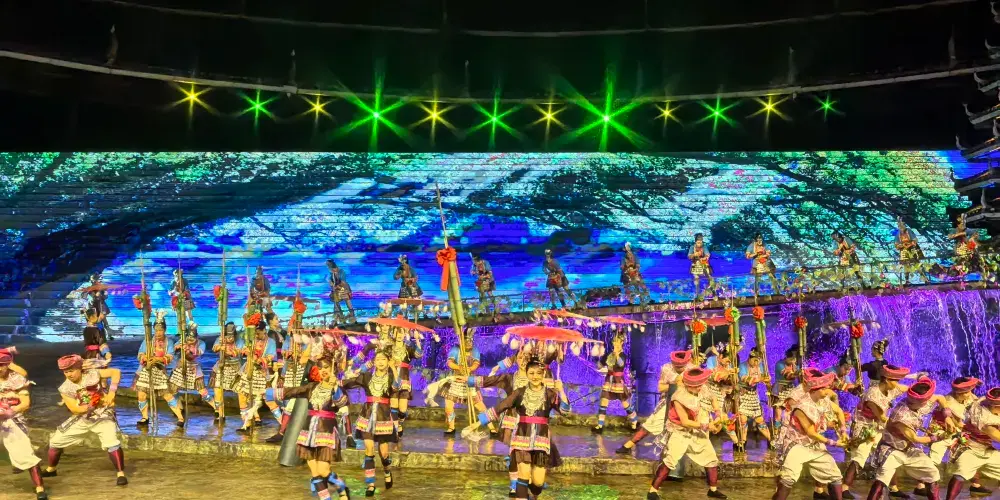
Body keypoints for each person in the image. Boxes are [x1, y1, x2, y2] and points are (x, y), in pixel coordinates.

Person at [477, 356, 571, 500]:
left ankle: (533, 491)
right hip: (521, 438)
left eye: (538, 373)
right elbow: (501, 406)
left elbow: (565, 411)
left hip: (541, 441)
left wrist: (562, 391)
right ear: (527, 374)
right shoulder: (519, 392)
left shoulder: (550, 394)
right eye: (531, 373)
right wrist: (479, 422)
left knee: (538, 483)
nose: (535, 376)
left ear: (543, 374)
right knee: (523, 475)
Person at [272, 357, 351, 500]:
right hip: (308, 434)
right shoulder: (312, 387)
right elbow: (293, 391)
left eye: (326, 367)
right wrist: (269, 390)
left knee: (323, 470)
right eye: (320, 368)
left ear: (333, 368)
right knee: (315, 473)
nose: (323, 370)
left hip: (326, 433)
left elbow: (342, 403)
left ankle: (341, 487)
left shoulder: (338, 389)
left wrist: (334, 386)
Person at [42, 354, 127, 486]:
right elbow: (75, 409)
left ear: (79, 369)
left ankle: (120, 473)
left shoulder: (92, 374)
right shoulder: (65, 388)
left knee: (111, 442)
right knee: (55, 441)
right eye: (66, 372)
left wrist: (111, 392)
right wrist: (93, 404)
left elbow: (115, 372)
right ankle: (51, 469)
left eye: (71, 371)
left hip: (102, 415)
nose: (69, 374)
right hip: (82, 417)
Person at [647, 367, 728, 499]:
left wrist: (718, 414)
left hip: (696, 430)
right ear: (689, 385)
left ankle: (712, 490)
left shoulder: (701, 388)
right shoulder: (679, 397)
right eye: (697, 386)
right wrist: (707, 426)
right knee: (670, 461)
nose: (700, 388)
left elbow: (713, 398)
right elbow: (685, 422)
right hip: (680, 431)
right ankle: (652, 491)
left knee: (711, 459)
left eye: (700, 385)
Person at [771, 368, 847, 500]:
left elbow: (838, 411)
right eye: (823, 389)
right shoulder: (802, 405)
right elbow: (810, 432)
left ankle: (820, 491)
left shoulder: (823, 400)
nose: (827, 391)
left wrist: (843, 431)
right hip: (797, 445)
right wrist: (834, 443)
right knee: (788, 479)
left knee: (835, 476)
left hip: (814, 444)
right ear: (815, 389)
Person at [866, 377, 948, 500]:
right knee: (882, 478)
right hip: (891, 450)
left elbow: (940, 398)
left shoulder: (921, 403)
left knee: (932, 473)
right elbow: (915, 438)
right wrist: (937, 437)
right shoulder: (902, 415)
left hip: (908, 449)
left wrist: (948, 417)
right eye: (909, 400)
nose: (909, 402)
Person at [842, 364, 914, 499]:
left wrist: (918, 387)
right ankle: (844, 488)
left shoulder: (891, 389)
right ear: (886, 379)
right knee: (860, 457)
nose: (897, 384)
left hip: (878, 427)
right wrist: (902, 425)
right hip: (864, 428)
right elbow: (882, 417)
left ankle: (893, 488)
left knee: (889, 455)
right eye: (895, 381)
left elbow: (907, 389)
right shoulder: (872, 394)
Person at [342, 348, 399, 497]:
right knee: (369, 449)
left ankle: (387, 471)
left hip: (382, 417)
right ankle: (370, 484)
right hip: (367, 416)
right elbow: (351, 382)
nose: (380, 362)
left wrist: (393, 368)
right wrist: (336, 383)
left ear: (388, 362)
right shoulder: (367, 376)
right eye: (378, 359)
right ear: (374, 362)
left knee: (384, 453)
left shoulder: (391, 377)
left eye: (383, 359)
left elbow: (396, 387)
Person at [922, 377, 991, 497]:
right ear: (959, 393)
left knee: (969, 455)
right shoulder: (949, 402)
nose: (970, 394)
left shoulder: (968, 397)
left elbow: (976, 406)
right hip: (941, 434)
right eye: (967, 391)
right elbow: (959, 423)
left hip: (957, 432)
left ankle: (975, 484)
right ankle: (921, 485)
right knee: (932, 463)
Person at [616, 350, 694, 455]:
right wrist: (675, 385)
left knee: (688, 428)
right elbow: (660, 388)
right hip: (668, 402)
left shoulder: (692, 369)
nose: (679, 368)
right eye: (677, 366)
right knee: (651, 423)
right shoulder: (666, 368)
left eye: (682, 366)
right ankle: (628, 445)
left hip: (687, 403)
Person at [0, 350, 48, 500]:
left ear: (7, 365)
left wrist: (9, 412)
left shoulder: (17, 379)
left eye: (1, 365)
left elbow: (25, 403)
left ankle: (39, 488)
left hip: (11, 419)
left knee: (25, 453)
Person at [944, 387, 1000, 500]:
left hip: (988, 450)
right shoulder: (985, 420)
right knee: (961, 474)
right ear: (995, 406)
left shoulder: (984, 401)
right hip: (971, 448)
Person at [135, 311, 185, 426]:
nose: (158, 333)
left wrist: (157, 359)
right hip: (146, 370)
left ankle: (180, 418)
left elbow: (170, 357)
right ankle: (145, 417)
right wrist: (144, 357)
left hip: (159, 371)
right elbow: (140, 354)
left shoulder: (169, 342)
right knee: (141, 394)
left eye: (160, 330)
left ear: (165, 330)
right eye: (156, 330)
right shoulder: (148, 341)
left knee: (167, 395)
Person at [236, 320, 283, 433]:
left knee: (268, 399)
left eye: (258, 333)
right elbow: (242, 350)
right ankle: (246, 423)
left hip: (262, 373)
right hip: (248, 371)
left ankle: (283, 424)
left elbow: (270, 357)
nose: (257, 335)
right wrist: (246, 351)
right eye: (255, 333)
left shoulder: (270, 342)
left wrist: (258, 359)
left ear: (264, 330)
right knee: (242, 395)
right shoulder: (250, 340)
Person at [269, 325, 311, 444]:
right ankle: (283, 431)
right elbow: (284, 355)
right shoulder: (289, 340)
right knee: (288, 404)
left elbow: (305, 360)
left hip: (304, 377)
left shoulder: (308, 343)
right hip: (291, 373)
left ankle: (286, 432)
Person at [593, 332, 638, 434]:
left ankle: (634, 421)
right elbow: (600, 365)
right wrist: (598, 358)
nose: (615, 344)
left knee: (625, 403)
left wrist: (617, 354)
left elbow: (621, 364)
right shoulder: (609, 354)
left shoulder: (623, 355)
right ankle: (600, 425)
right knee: (604, 401)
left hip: (618, 381)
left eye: (617, 342)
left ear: (621, 343)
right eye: (614, 342)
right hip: (608, 380)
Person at [168, 322, 216, 416]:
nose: (191, 340)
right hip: (180, 366)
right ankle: (180, 408)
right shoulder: (182, 340)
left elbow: (197, 353)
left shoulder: (201, 343)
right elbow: (173, 349)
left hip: (194, 368)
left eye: (193, 338)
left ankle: (216, 408)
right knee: (173, 389)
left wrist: (188, 350)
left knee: (203, 391)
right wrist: (179, 347)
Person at [443, 330, 481, 435]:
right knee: (448, 406)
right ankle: (451, 427)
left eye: (470, 340)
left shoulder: (475, 350)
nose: (469, 342)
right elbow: (450, 362)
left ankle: (491, 427)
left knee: (480, 406)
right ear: (462, 340)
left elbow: (476, 363)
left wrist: (469, 369)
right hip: (456, 380)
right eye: (467, 340)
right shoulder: (456, 349)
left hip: (469, 380)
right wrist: (459, 367)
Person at [737, 347, 772, 448]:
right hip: (743, 394)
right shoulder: (743, 366)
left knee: (759, 419)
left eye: (758, 360)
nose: (757, 363)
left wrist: (768, 383)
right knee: (743, 419)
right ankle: (742, 442)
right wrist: (762, 379)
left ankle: (771, 440)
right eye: (755, 360)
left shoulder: (760, 366)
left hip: (753, 395)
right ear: (750, 358)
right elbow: (748, 380)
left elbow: (766, 379)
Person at [209, 321, 243, 422]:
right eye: (228, 335)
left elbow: (237, 352)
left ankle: (246, 417)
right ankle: (220, 413)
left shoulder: (240, 340)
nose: (230, 338)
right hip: (221, 366)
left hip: (235, 367)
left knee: (241, 392)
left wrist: (226, 351)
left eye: (231, 336)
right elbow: (214, 348)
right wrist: (220, 347)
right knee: (217, 390)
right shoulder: (220, 339)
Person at [772, 346, 800, 425]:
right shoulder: (779, 364)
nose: (793, 361)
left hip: (791, 388)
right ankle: (777, 428)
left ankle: (788, 426)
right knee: (778, 411)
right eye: (791, 359)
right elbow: (788, 376)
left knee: (790, 410)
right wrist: (797, 373)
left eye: (794, 359)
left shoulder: (795, 366)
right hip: (780, 389)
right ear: (786, 357)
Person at [895, 216, 928, 284]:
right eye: (899, 226)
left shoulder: (909, 231)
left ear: (904, 225)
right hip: (904, 252)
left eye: (902, 225)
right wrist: (902, 245)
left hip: (912, 250)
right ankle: (907, 281)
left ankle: (925, 279)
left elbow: (915, 240)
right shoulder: (898, 234)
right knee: (906, 266)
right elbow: (896, 245)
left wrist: (909, 244)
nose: (901, 227)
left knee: (917, 265)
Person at [688, 234, 715, 300]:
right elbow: (689, 256)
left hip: (703, 263)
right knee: (696, 279)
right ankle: (697, 294)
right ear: (695, 242)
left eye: (701, 242)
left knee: (709, 277)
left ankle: (712, 292)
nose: (699, 244)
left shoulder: (704, 247)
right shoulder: (692, 247)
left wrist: (704, 258)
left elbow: (708, 255)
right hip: (695, 264)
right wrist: (694, 254)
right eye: (698, 242)